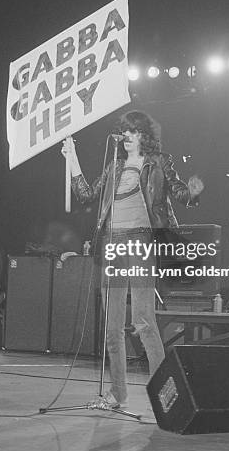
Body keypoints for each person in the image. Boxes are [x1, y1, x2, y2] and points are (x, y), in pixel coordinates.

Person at [62, 110, 204, 410]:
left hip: (140, 241)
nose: (126, 136)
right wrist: (71, 157)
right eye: (123, 131)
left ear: (144, 135)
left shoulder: (159, 162)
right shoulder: (114, 166)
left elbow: (180, 193)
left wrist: (192, 192)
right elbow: (86, 195)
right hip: (112, 245)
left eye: (133, 131)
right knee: (111, 327)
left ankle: (166, 393)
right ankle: (117, 393)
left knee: (143, 321)